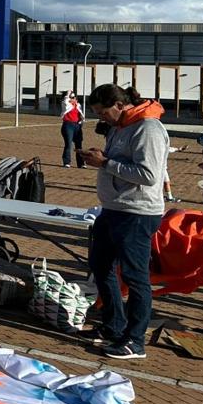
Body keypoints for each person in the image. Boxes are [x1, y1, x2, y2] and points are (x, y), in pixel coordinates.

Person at [78, 84, 167, 361]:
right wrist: (104, 159)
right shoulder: (120, 127)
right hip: (114, 209)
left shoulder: (147, 129)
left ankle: (135, 340)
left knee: (135, 276)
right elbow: (118, 161)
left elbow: (149, 175)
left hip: (137, 212)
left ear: (118, 105)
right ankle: (113, 325)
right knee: (101, 266)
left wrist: (106, 163)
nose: (101, 118)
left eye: (103, 112)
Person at [61, 91, 85, 168]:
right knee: (68, 144)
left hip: (77, 126)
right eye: (71, 97)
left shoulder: (78, 105)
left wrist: (81, 121)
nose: (74, 99)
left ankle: (81, 163)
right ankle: (67, 162)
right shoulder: (66, 105)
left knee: (79, 145)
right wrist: (68, 94)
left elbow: (81, 115)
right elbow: (65, 101)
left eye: (74, 97)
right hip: (68, 125)